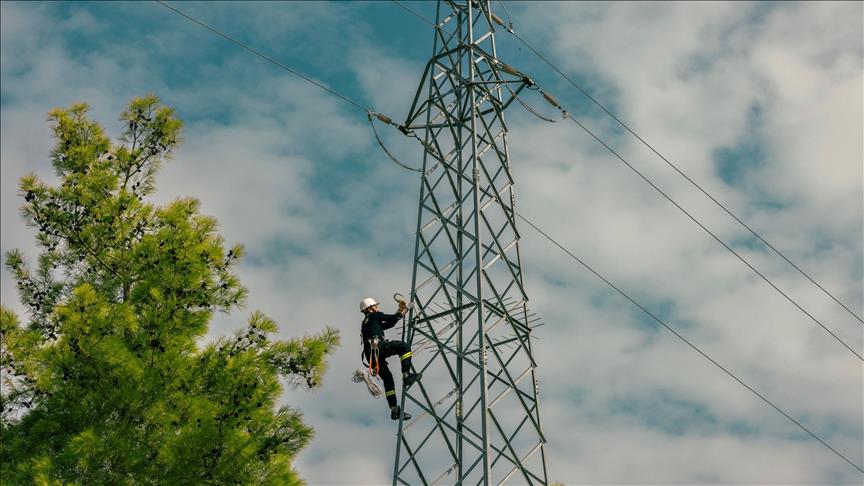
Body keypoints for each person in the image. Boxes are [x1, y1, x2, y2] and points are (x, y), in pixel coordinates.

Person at [360, 297, 421, 420]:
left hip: (371, 355)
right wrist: (406, 309)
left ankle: (394, 409)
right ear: (370, 308)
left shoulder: (367, 322)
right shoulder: (374, 316)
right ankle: (406, 376)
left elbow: (391, 323)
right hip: (379, 347)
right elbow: (393, 318)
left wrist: (401, 311)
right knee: (404, 347)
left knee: (388, 380)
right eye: (375, 306)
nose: (377, 308)